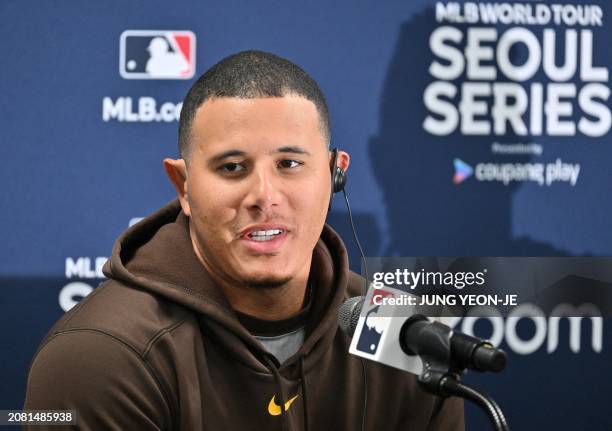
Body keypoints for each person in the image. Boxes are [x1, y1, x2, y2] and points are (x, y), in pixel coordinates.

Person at [24, 50, 464, 430]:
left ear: (334, 174)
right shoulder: (98, 355)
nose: (265, 197)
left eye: (290, 164)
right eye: (232, 168)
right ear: (183, 186)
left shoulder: (405, 334)